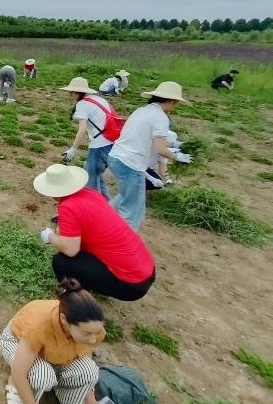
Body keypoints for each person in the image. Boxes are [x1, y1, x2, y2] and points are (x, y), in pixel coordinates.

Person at [35, 164, 156, 302]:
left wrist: (49, 236)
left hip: (130, 285)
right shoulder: (91, 193)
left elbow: (71, 250)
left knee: (61, 262)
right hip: (146, 271)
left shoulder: (68, 207)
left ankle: (74, 296)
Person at [0, 277, 104, 404]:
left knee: (89, 372)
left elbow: (85, 353)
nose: (93, 340)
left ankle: (64, 391)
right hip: (17, 341)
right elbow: (19, 372)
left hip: (54, 353)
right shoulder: (39, 326)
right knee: (42, 376)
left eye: (97, 332)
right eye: (87, 333)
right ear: (64, 320)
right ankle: (15, 385)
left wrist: (90, 396)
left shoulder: (92, 329)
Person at [108, 82, 193, 230]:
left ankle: (99, 218)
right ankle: (122, 240)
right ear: (170, 101)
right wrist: (178, 157)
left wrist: (176, 145)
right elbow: (159, 148)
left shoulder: (141, 110)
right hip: (130, 164)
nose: (176, 106)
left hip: (116, 157)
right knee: (133, 211)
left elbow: (150, 138)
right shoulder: (161, 117)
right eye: (176, 103)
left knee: (126, 196)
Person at [58, 77, 115, 199]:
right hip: (112, 141)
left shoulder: (82, 104)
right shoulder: (98, 99)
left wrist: (73, 150)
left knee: (91, 182)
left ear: (77, 92)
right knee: (95, 175)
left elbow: (82, 129)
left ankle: (96, 208)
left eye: (71, 92)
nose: (69, 95)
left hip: (100, 145)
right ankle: (108, 205)